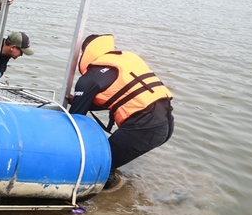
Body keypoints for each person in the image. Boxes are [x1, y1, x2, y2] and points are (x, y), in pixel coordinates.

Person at [68, 34, 174, 188]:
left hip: (145, 126)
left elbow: (75, 120)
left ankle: (94, 201)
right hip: (166, 121)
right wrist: (82, 100)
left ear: (85, 53)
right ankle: (115, 201)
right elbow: (122, 96)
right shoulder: (126, 60)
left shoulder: (89, 79)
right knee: (110, 160)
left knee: (100, 166)